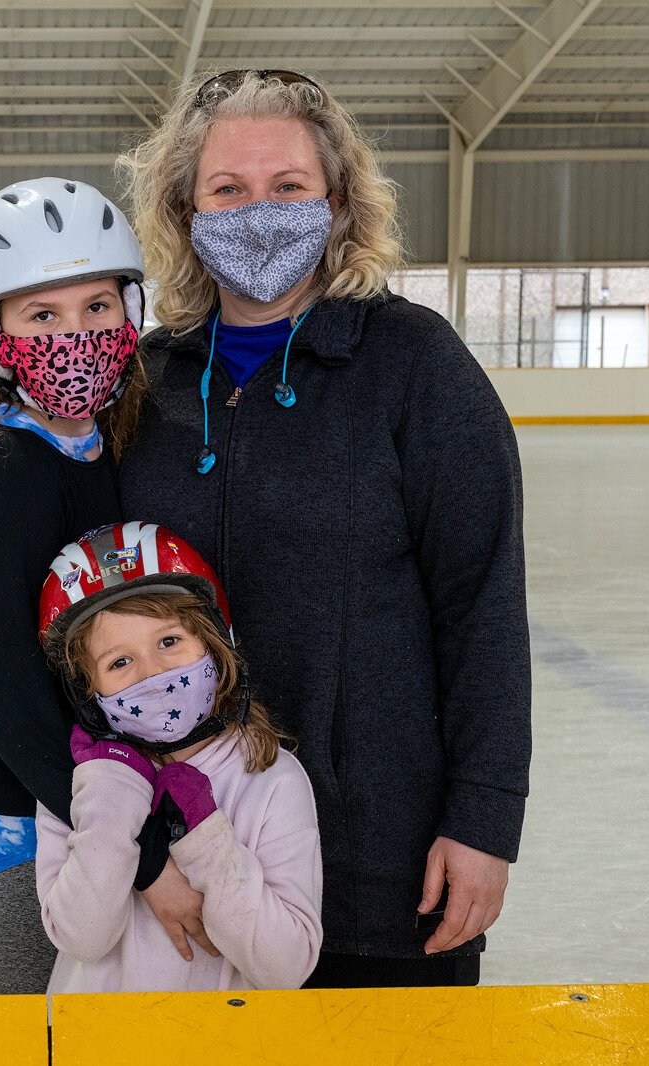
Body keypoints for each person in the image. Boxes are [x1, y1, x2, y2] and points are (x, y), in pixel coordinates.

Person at [114, 70, 531, 988]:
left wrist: (486, 816)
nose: (257, 211)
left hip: (381, 865)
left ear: (338, 205)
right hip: (192, 866)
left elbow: (483, 605)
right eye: (228, 189)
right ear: (186, 212)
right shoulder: (145, 388)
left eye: (288, 187)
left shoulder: (416, 369)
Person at [0, 176, 153, 996]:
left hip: (86, 780)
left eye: (98, 307)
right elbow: (5, 683)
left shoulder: (100, 440)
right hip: (16, 801)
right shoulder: (13, 469)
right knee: (40, 1021)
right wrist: (122, 841)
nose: (77, 335)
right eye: (43, 315)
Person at [34, 522, 322, 992]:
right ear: (86, 691)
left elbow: (285, 967)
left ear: (214, 643)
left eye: (169, 642)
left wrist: (207, 837)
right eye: (119, 662)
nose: (154, 673)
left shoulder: (272, 778)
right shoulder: (77, 781)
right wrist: (111, 795)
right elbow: (81, 937)